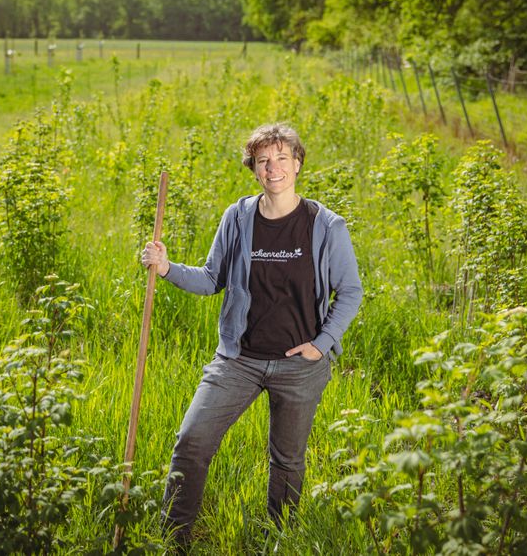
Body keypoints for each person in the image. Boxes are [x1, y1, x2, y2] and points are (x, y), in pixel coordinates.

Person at [140, 123, 363, 548]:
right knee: (191, 442)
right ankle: (172, 540)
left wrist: (322, 343)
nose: (273, 167)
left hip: (299, 367)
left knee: (287, 462)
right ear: (254, 169)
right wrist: (166, 268)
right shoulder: (237, 217)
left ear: (297, 164)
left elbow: (350, 290)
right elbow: (211, 279)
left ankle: (278, 540)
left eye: (281, 158)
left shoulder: (326, 226)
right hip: (238, 360)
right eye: (263, 160)